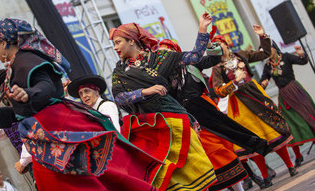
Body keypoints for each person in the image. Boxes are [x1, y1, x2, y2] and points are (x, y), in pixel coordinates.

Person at [0, 18, 163, 191]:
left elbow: (46, 88)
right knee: (64, 178)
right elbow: (23, 110)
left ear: (4, 42)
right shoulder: (17, 65)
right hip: (46, 132)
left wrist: (28, 93)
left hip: (55, 126)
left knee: (76, 178)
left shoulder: (27, 60)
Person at [109, 12, 217, 190]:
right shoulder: (119, 73)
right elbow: (120, 98)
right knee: (164, 175)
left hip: (174, 120)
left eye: (118, 42)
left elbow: (195, 57)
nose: (115, 47)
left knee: (194, 167)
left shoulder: (160, 58)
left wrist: (202, 28)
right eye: (114, 43)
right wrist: (145, 91)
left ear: (132, 41)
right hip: (148, 128)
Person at [159, 38, 270, 191]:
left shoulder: (191, 64)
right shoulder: (162, 78)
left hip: (210, 108)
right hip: (191, 118)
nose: (166, 57)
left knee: (229, 144)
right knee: (214, 151)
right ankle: (244, 181)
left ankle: (255, 174)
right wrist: (235, 83)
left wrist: (209, 44)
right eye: (162, 55)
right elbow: (219, 90)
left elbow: (213, 57)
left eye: (168, 53)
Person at [211, 30, 298, 188]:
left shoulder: (241, 54)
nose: (218, 48)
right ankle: (265, 177)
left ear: (225, 44)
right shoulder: (217, 68)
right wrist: (234, 83)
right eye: (214, 46)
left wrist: (262, 36)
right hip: (238, 104)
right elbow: (218, 90)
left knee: (272, 129)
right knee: (252, 139)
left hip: (255, 95)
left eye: (219, 44)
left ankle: (290, 166)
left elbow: (265, 53)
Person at [260, 42, 315, 167]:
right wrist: (263, 83)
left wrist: (301, 54)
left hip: (295, 91)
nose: (267, 51)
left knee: (308, 117)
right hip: (284, 96)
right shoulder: (268, 65)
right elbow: (263, 80)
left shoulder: (286, 56)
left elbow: (302, 61)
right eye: (264, 50)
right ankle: (297, 155)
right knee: (289, 125)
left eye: (269, 48)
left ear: (274, 48)